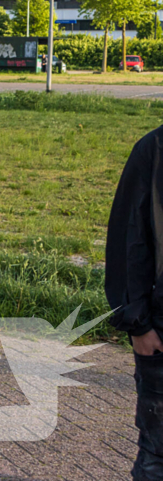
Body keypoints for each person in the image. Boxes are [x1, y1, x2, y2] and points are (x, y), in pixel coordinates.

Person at [106, 128, 163, 481]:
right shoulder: (153, 150)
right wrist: (138, 324)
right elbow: (129, 239)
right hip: (160, 330)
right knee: (157, 454)